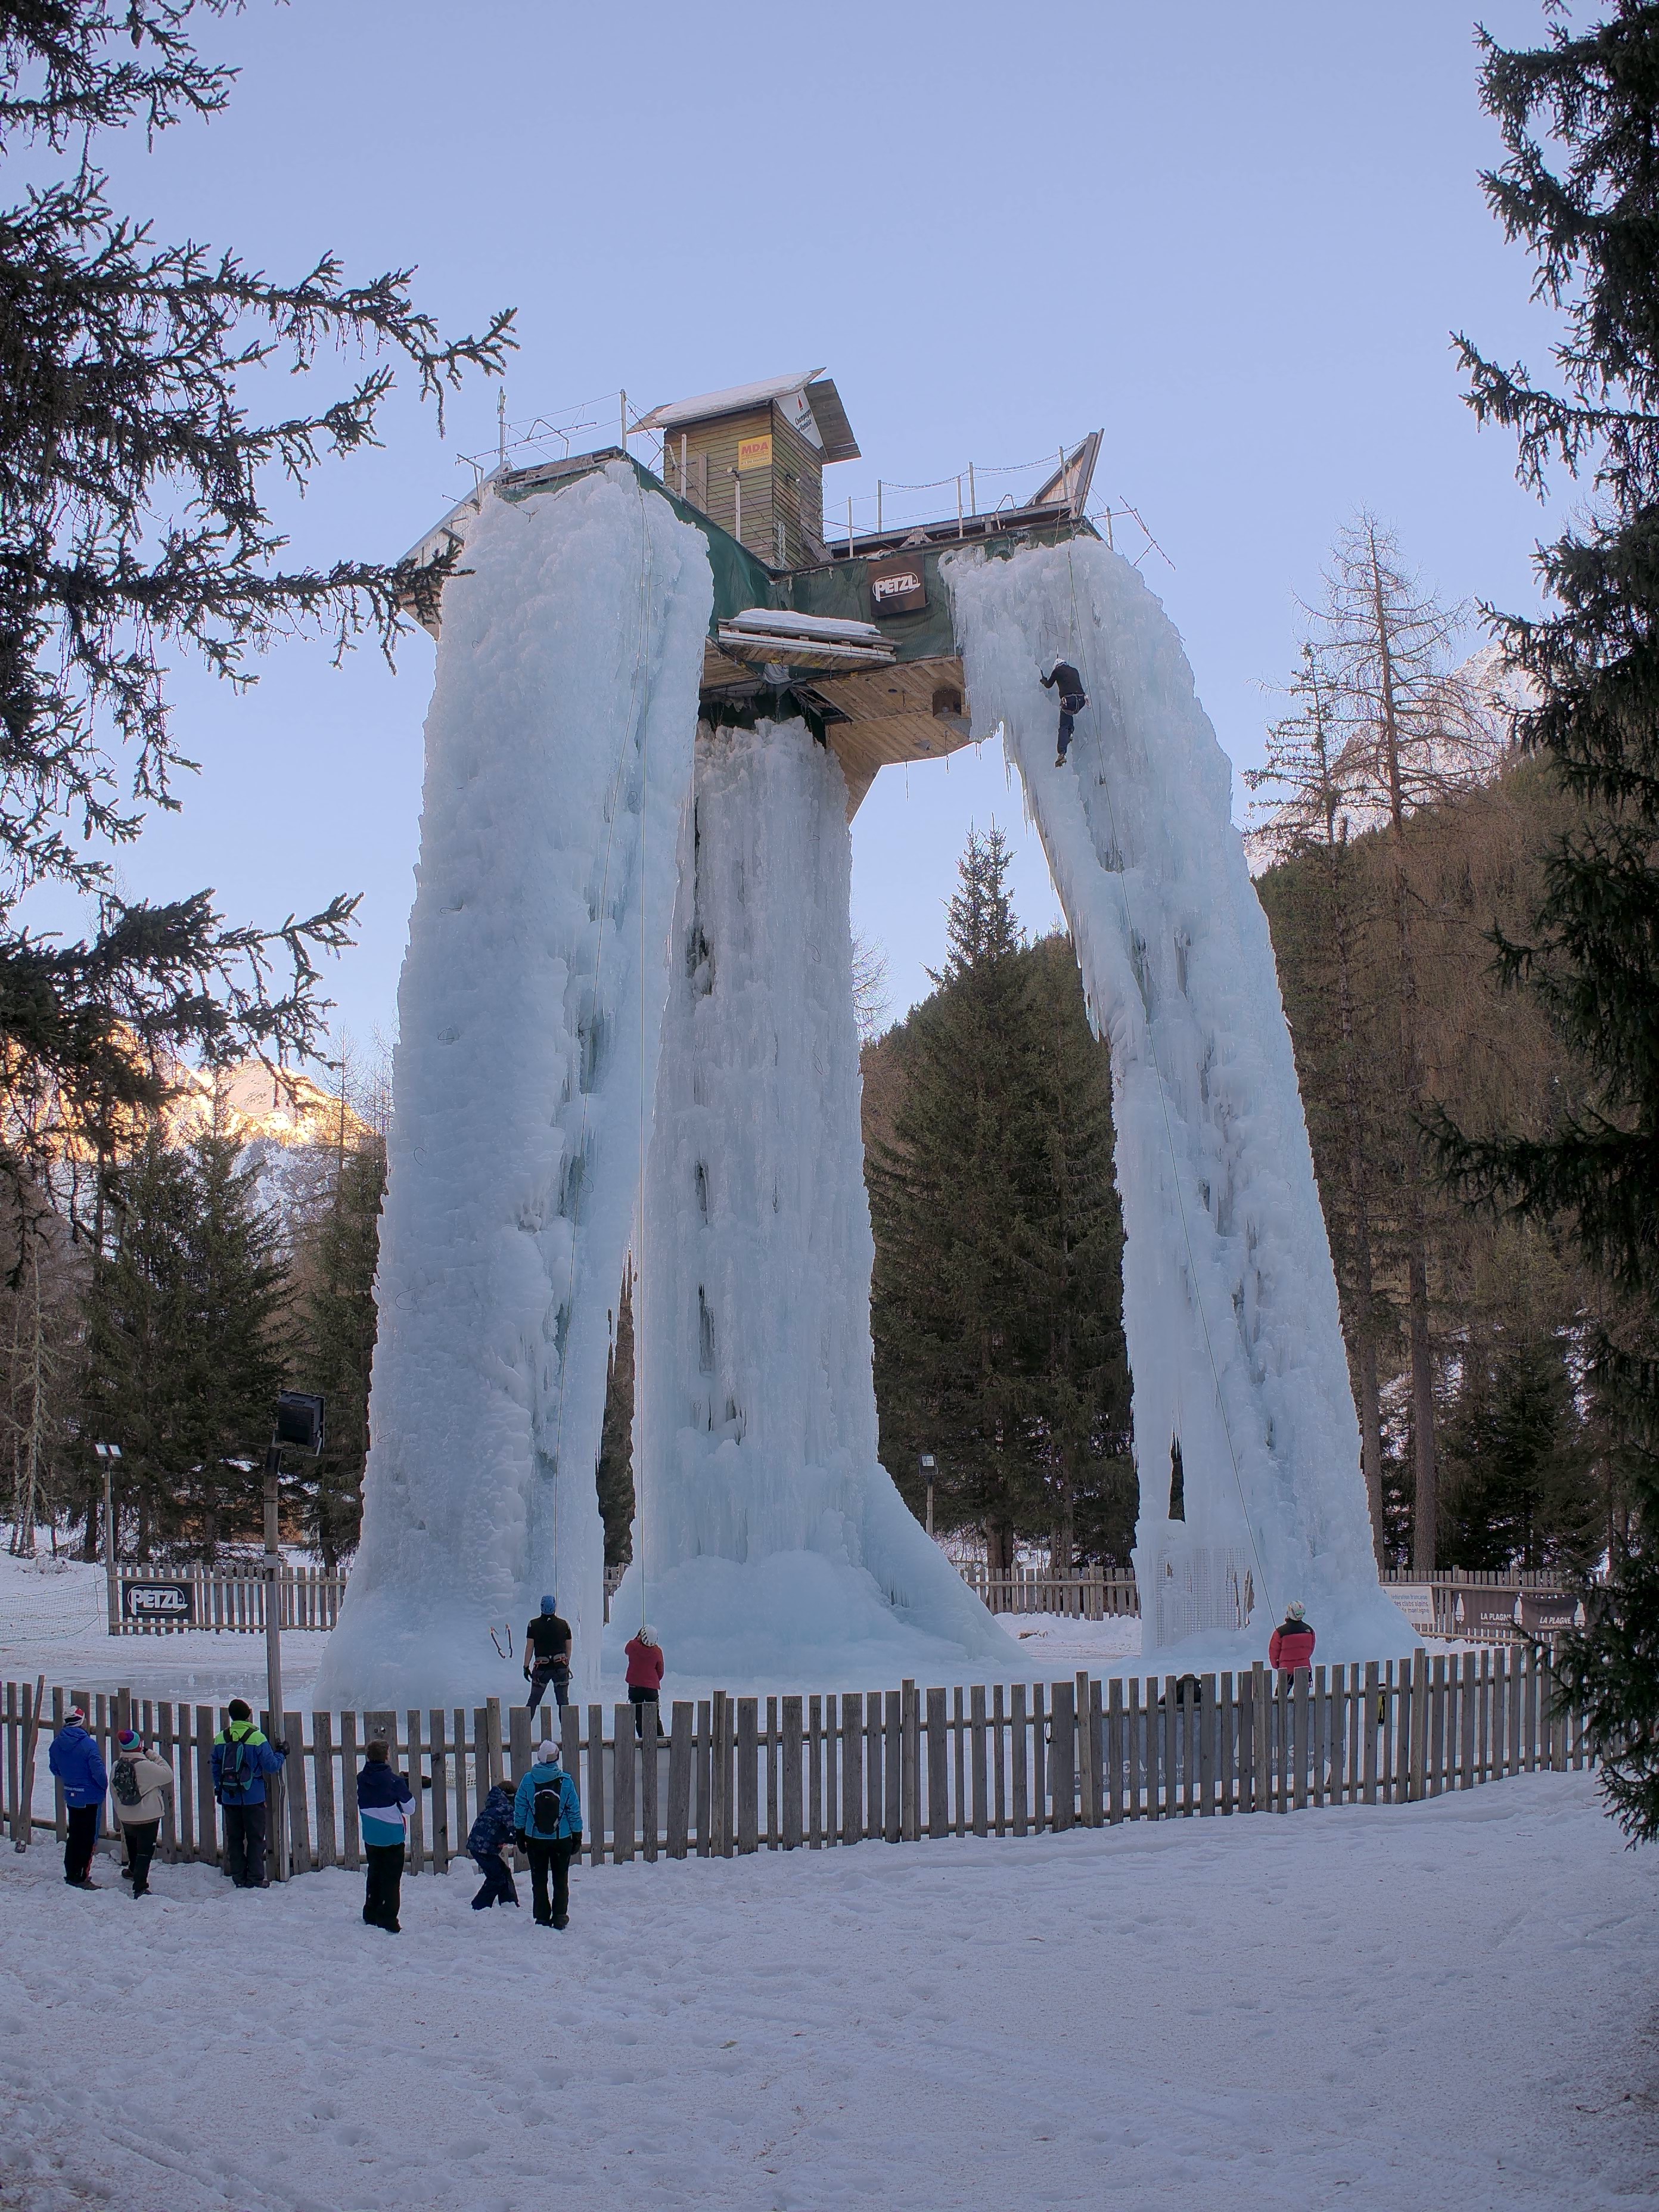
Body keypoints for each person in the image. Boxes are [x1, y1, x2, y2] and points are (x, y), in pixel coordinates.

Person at [212, 1698, 288, 1888]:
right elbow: (271, 1766)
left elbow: (215, 1767)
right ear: (248, 1715)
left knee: (235, 1838)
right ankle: (255, 1878)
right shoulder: (257, 1737)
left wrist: (220, 1788)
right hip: (253, 1797)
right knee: (255, 1838)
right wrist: (282, 1754)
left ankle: (238, 1877)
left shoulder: (221, 1738)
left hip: (230, 1797)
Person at [512, 1746, 583, 1930]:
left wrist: (520, 1832)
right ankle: (560, 1915)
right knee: (561, 1878)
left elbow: (520, 1808)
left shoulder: (528, 1780)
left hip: (535, 1839)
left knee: (539, 1879)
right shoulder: (566, 1781)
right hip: (562, 1838)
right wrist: (577, 1834)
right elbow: (573, 1811)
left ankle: (542, 1916)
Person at [108, 1727, 174, 1899]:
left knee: (131, 1842)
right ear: (139, 1746)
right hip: (148, 1816)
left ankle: (132, 1869)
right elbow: (168, 1774)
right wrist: (152, 1754)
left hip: (126, 1815)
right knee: (145, 1849)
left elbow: (113, 1790)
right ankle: (140, 1886)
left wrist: (120, 1810)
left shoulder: (117, 1765)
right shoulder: (145, 1766)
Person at [356, 1739, 414, 1934]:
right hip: (392, 1836)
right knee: (391, 1878)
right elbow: (410, 1808)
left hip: (371, 1834)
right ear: (387, 1756)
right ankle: (388, 1918)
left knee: (374, 1872)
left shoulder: (361, 1779)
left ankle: (370, 1912)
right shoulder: (394, 1782)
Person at [48, 1705, 107, 1890]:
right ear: (82, 1722)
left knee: (74, 1835)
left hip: (71, 1795)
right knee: (87, 1838)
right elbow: (98, 1773)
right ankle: (81, 1877)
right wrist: (103, 1786)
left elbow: (55, 1768)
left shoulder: (57, 1743)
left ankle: (72, 1872)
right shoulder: (88, 1744)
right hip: (90, 1797)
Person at [467, 1781, 519, 1912]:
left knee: (503, 1872)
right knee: (496, 1877)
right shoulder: (505, 1808)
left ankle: (509, 1903)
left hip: (479, 1846)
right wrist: (523, 1838)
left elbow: (496, 1830)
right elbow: (515, 1827)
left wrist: (514, 1840)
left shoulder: (494, 1804)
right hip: (484, 1849)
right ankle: (479, 1906)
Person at [522, 1593, 571, 1715]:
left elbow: (530, 1647)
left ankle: (522, 1730)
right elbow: (568, 1647)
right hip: (560, 1667)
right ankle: (567, 1732)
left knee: (533, 1701)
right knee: (563, 1703)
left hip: (542, 1668)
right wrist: (567, 1663)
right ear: (555, 1607)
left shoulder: (533, 1625)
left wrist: (526, 1666)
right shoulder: (564, 1624)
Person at [1040, 658, 1088, 765]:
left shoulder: (1057, 671)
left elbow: (1049, 685)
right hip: (1081, 701)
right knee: (1069, 713)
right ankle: (1070, 733)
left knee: (1064, 725)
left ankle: (1062, 753)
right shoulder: (1074, 670)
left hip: (1069, 700)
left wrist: (1044, 680)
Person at [625, 1623, 665, 1738]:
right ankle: (660, 1739)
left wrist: (637, 1637)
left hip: (634, 1687)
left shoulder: (633, 1646)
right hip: (651, 1688)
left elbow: (626, 1650)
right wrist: (652, 1681)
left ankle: (643, 1739)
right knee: (655, 1716)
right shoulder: (657, 1652)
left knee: (639, 1716)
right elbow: (660, 1671)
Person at [1269, 1601, 1316, 1679]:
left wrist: (1276, 1665)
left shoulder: (1280, 1632)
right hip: (1304, 1668)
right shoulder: (1310, 1630)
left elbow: (1274, 1651)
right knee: (1302, 1691)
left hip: (1286, 1671)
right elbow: (1310, 1650)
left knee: (1282, 1691)